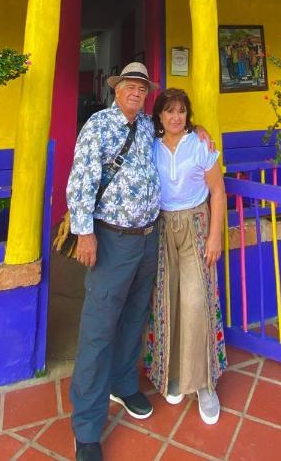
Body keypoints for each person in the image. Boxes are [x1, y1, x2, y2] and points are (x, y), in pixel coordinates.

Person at [67, 63, 213, 461]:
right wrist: (85, 232)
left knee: (134, 316)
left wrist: (199, 130)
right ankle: (87, 426)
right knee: (99, 328)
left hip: (150, 238)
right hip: (111, 239)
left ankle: (123, 382)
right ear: (116, 89)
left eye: (141, 87)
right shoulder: (98, 125)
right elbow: (80, 179)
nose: (136, 92)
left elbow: (177, 131)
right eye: (129, 85)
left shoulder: (149, 127)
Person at [144, 88, 228, 425]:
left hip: (196, 224)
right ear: (160, 117)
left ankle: (204, 384)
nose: (175, 117)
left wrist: (215, 236)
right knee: (166, 301)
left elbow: (218, 192)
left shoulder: (201, 145)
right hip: (163, 226)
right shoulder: (151, 147)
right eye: (169, 111)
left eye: (181, 111)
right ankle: (172, 375)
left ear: (187, 115)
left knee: (197, 301)